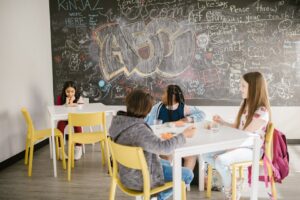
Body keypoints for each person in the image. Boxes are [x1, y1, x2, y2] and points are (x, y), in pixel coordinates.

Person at [109, 89, 196, 200]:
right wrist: (184, 135)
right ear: (147, 109)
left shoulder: (118, 123)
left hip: (125, 174)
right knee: (188, 174)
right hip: (141, 179)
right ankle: (158, 197)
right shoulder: (139, 130)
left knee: (165, 163)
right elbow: (164, 148)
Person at [203, 71, 271, 200]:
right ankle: (234, 182)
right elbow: (237, 128)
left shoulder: (262, 112)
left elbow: (245, 136)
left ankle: (229, 189)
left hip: (253, 149)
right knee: (204, 154)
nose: (240, 89)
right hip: (239, 143)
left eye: (243, 86)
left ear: (253, 88)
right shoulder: (245, 104)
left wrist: (229, 147)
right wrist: (222, 122)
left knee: (220, 160)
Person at [145, 84, 206, 171]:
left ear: (172, 97)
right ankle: (169, 180)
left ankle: (183, 183)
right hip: (164, 142)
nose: (162, 96)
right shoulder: (158, 107)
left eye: (164, 94)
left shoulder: (183, 108)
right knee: (166, 156)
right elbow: (150, 123)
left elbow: (202, 114)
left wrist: (186, 119)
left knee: (191, 157)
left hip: (179, 142)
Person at [56, 81, 84, 160]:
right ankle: (60, 150)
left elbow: (82, 108)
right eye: (68, 91)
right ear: (64, 91)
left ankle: (78, 148)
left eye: (72, 91)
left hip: (75, 118)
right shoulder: (60, 98)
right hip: (64, 118)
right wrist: (66, 104)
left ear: (75, 91)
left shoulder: (79, 97)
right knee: (60, 126)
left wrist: (72, 103)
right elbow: (57, 110)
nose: (70, 94)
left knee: (78, 127)